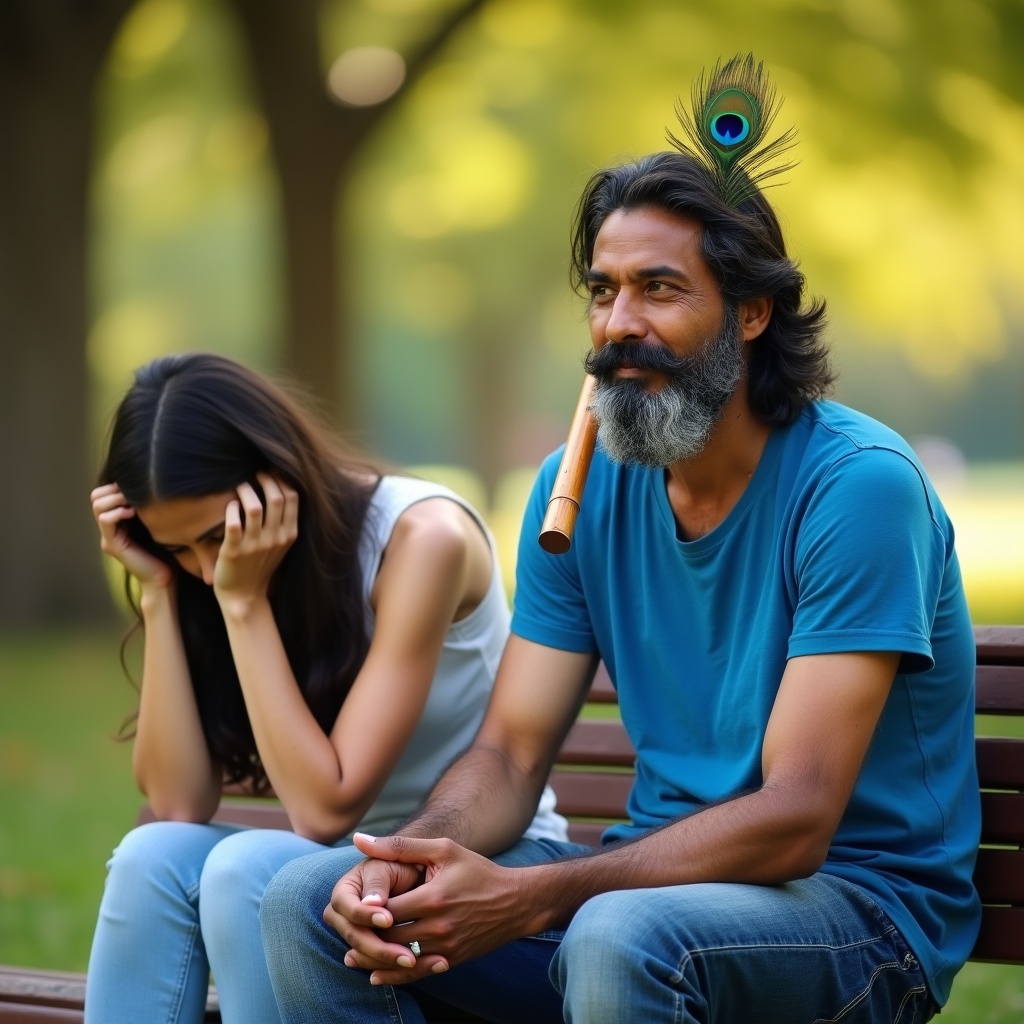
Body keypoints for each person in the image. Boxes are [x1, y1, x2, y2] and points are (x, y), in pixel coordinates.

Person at [258, 55, 980, 1024]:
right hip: (650, 898)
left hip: (858, 916)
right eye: (601, 291)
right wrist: (409, 859)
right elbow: (512, 749)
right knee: (313, 904)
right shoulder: (585, 487)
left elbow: (798, 816)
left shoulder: (857, 489)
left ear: (751, 312)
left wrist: (537, 895)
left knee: (616, 934)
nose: (617, 324)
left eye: (658, 289)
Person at [82, 352, 566, 1024]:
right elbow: (176, 798)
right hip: (335, 873)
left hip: (475, 859)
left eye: (215, 537)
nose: (203, 568)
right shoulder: (203, 578)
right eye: (176, 550)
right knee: (150, 855)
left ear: (275, 481)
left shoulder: (423, 539)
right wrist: (160, 595)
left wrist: (245, 605)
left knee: (246, 867)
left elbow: (323, 810)